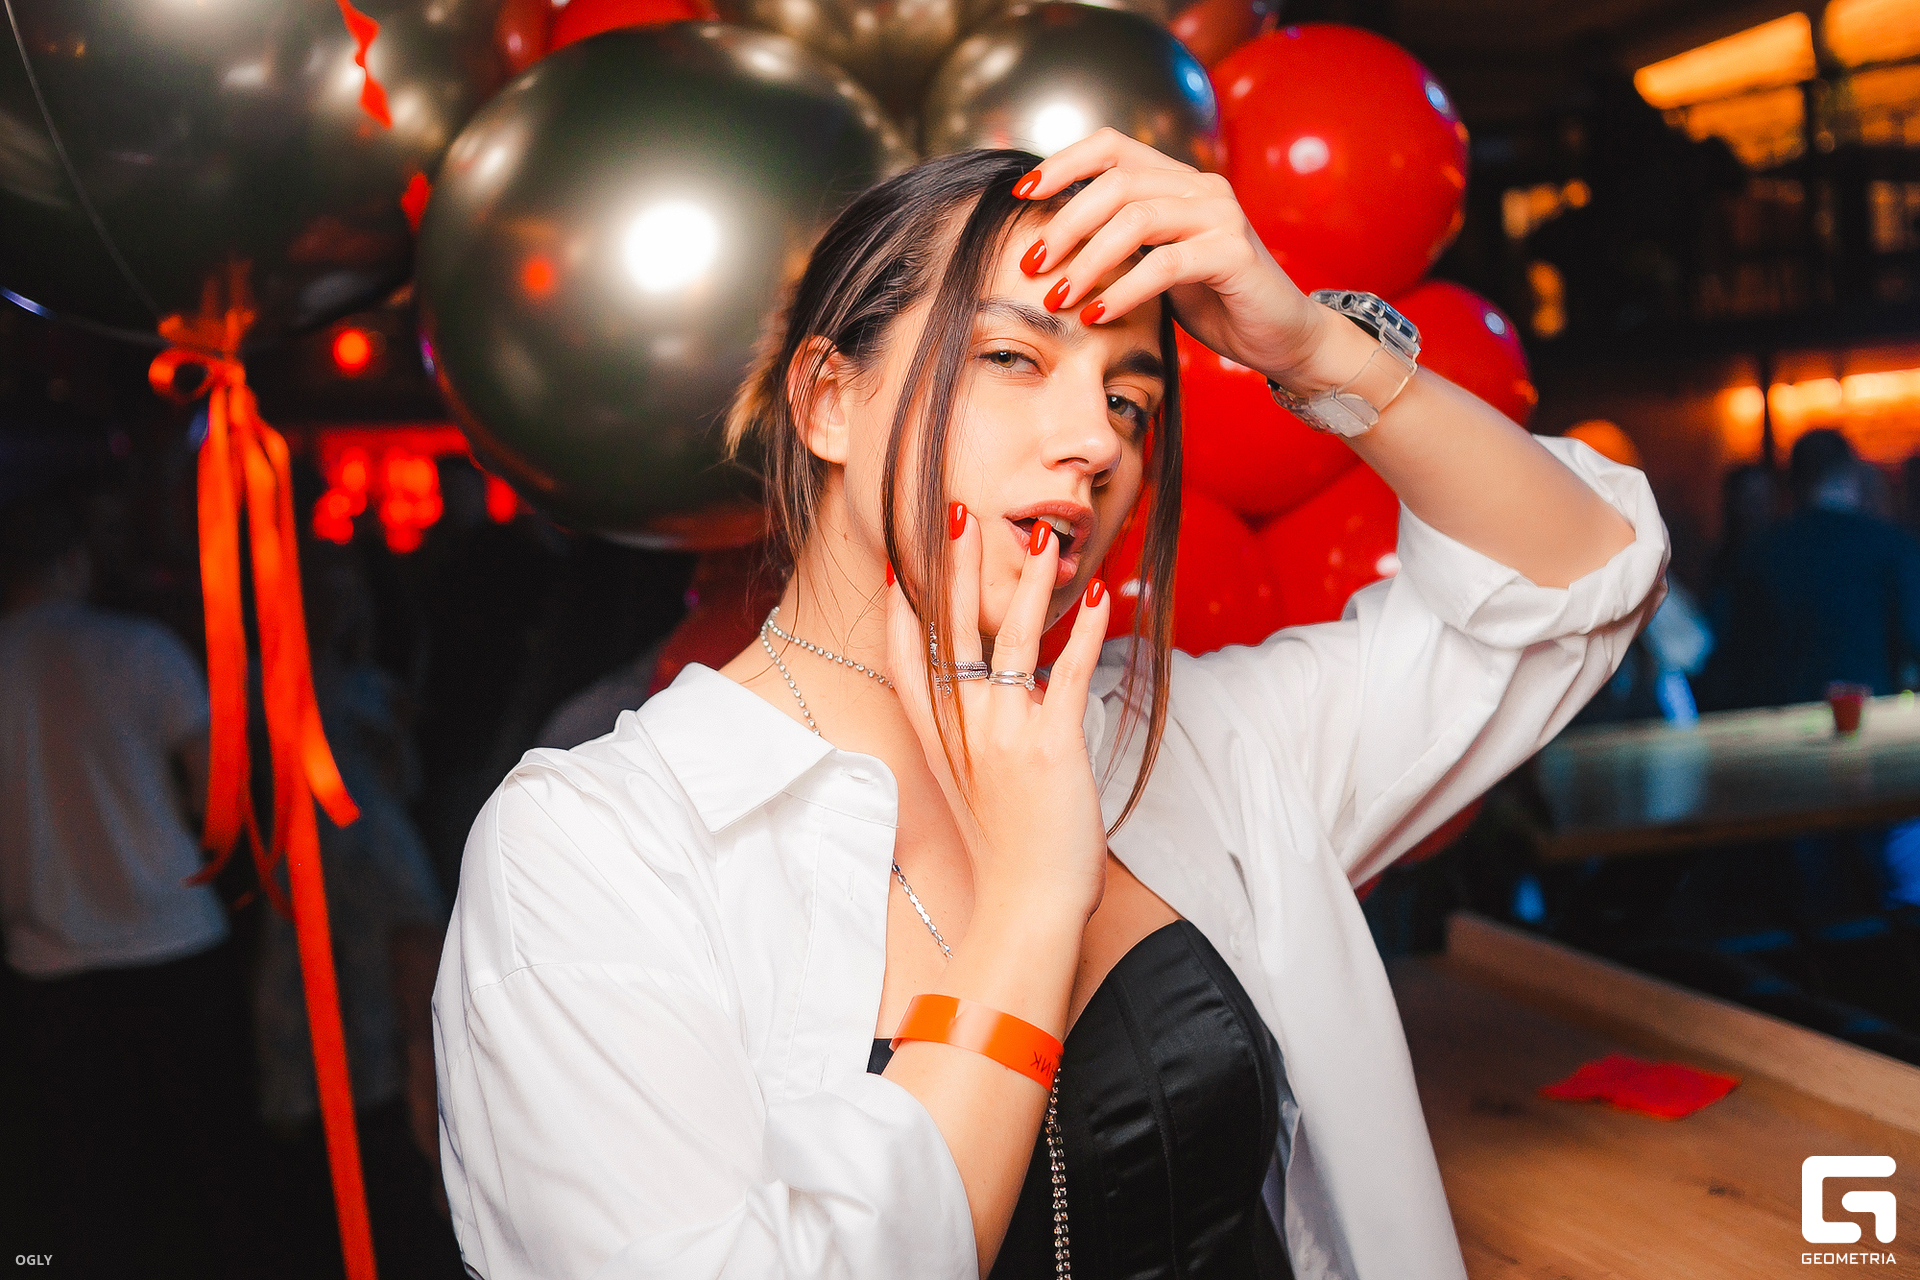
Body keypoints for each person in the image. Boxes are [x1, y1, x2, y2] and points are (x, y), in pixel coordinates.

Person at [432, 139, 1665, 1279]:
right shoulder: (598, 849)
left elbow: (1578, 585)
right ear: (828, 400)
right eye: (1014, 358)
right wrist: (1030, 897)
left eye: (1131, 401)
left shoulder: (1186, 743)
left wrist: (1310, 347)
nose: (1095, 441)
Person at [0, 487, 256, 1277]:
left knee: (87, 1185)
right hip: (173, 937)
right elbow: (221, 791)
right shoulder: (140, 647)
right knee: (209, 1173)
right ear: (74, 561)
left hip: (49, 959)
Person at [1707, 429, 1920, 709]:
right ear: (1851, 476)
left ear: (1793, 483)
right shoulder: (1892, 547)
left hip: (1777, 722)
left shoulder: (1758, 555)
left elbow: (1727, 657)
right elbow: (1914, 638)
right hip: (1872, 716)